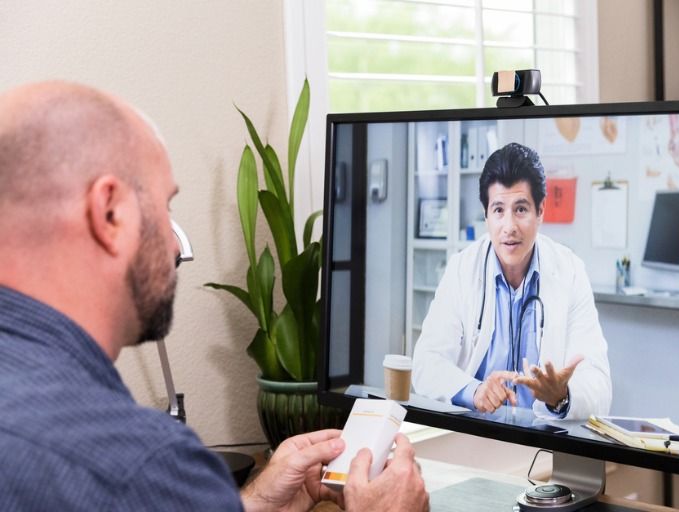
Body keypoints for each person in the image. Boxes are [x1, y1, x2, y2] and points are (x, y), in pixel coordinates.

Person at [0, 81, 428, 512]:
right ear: (109, 212)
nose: (173, 244)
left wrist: (256, 502)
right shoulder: (137, 466)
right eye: (164, 209)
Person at [412, 142, 611, 420]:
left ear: (540, 211)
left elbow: (599, 382)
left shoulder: (570, 271)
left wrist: (562, 396)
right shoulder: (462, 270)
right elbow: (425, 364)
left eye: (520, 209)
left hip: (545, 442)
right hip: (474, 435)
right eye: (498, 210)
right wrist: (475, 391)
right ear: (486, 215)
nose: (509, 227)